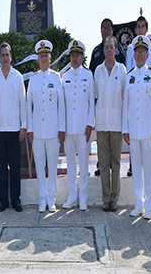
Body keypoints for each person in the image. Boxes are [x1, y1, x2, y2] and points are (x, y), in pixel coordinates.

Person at [122, 36, 151, 220]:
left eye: (142, 52)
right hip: (134, 130)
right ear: (134, 54)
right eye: (136, 52)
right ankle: (139, 203)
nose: (139, 55)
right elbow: (126, 106)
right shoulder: (128, 76)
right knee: (136, 168)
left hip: (147, 131)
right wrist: (125, 129)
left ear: (147, 55)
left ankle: (149, 205)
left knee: (149, 170)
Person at [27, 40, 65, 213]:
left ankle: (52, 197)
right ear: (38, 59)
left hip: (53, 129)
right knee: (39, 164)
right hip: (37, 130)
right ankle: (42, 197)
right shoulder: (33, 79)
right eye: (41, 56)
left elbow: (62, 106)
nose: (43, 59)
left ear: (50, 59)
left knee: (52, 164)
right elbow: (29, 106)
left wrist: (62, 128)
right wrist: (29, 129)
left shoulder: (56, 78)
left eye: (46, 56)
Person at [0, 42, 26, 213]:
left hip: (14, 129)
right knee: (1, 167)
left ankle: (16, 200)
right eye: (2, 55)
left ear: (11, 57)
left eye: (7, 55)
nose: (5, 58)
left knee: (15, 167)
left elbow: (22, 103)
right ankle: (3, 201)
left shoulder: (17, 77)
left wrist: (24, 126)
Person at [89, 18, 126, 177]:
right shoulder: (96, 51)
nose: (106, 31)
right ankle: (100, 165)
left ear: (112, 30)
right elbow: (92, 76)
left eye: (108, 28)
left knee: (116, 159)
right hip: (102, 108)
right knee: (103, 155)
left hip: (116, 111)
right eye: (103, 28)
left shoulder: (121, 53)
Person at [94, 36, 126, 212]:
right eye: (106, 47)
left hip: (116, 124)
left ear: (116, 50)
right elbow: (95, 97)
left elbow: (125, 98)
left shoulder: (122, 70)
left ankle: (115, 199)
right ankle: (105, 198)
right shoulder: (97, 71)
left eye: (111, 47)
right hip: (102, 124)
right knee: (103, 164)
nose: (108, 50)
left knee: (116, 163)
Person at [62, 40, 94, 211]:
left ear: (82, 57)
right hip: (69, 128)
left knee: (83, 164)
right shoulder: (64, 76)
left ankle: (83, 198)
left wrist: (90, 124)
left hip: (83, 129)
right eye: (72, 55)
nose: (74, 58)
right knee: (70, 164)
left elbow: (91, 103)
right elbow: (62, 106)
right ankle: (72, 196)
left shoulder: (88, 76)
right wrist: (62, 127)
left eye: (77, 55)